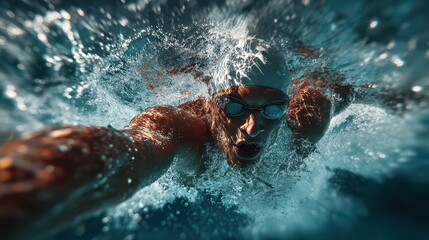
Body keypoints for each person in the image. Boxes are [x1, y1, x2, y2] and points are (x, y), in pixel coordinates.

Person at [0, 39, 355, 237]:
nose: (251, 127)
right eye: (234, 108)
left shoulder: (307, 119)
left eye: (273, 109)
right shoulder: (186, 132)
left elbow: (352, 90)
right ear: (211, 106)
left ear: (287, 105)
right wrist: (34, 181)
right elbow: (130, 151)